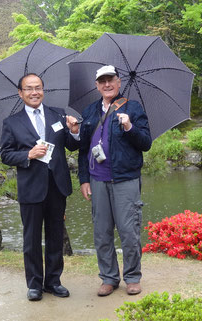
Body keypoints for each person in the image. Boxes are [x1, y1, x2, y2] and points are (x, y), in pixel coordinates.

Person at [0, 73, 80, 301]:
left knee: (55, 236)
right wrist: (28, 154)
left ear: (43, 90)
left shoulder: (58, 115)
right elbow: (5, 154)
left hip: (57, 186)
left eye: (38, 88)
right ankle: (34, 284)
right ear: (20, 93)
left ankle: (53, 281)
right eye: (29, 88)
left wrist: (74, 131)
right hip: (31, 187)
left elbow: (73, 146)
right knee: (31, 238)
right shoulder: (12, 122)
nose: (34, 92)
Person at [77, 65, 152, 297]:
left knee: (129, 231)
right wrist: (84, 179)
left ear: (119, 82)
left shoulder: (133, 108)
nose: (107, 85)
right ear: (97, 85)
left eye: (111, 80)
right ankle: (109, 278)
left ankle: (132, 277)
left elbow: (146, 143)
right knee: (101, 232)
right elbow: (82, 149)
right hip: (97, 180)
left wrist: (129, 127)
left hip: (125, 179)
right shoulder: (89, 111)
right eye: (102, 81)